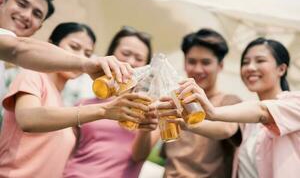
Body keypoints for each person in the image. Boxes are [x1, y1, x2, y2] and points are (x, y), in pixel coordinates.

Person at [0, 22, 149, 178]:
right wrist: (103, 110)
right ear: (51, 45)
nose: (80, 57)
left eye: (87, 53)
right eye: (74, 47)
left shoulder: (61, 100)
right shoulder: (34, 76)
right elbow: (28, 119)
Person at [164, 37, 300, 178]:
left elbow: (262, 111)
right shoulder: (247, 120)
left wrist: (212, 111)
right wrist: (182, 122)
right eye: (245, 62)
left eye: (260, 61)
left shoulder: (295, 103)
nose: (250, 67)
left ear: (282, 69)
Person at [0, 0, 130, 94]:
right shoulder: (31, 76)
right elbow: (17, 49)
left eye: (37, 14)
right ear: (1, 2)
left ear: (39, 27)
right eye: (22, 4)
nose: (27, 16)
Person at [63, 26, 159, 178]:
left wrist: (144, 129)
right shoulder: (84, 104)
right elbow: (64, 151)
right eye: (125, 54)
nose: (130, 62)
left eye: (139, 59)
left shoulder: (151, 111)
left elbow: (139, 157)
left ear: (146, 67)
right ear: (111, 55)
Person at [162, 28, 242, 178]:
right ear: (184, 63)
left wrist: (185, 122)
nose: (198, 69)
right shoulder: (172, 101)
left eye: (206, 62)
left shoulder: (230, 101)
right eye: (192, 61)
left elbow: (226, 129)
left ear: (220, 65)